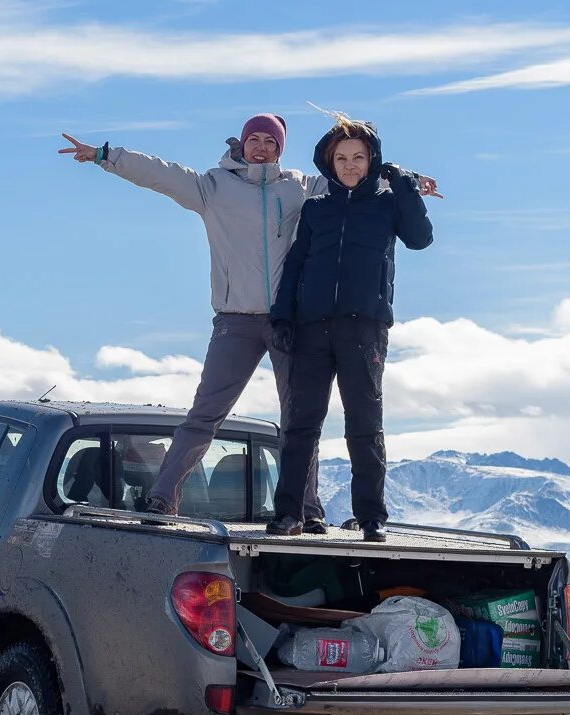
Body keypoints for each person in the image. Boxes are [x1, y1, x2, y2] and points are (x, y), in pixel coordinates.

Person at [59, 117, 436, 524]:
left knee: (300, 420)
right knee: (205, 412)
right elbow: (161, 174)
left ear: (280, 148)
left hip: (291, 321)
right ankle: (163, 497)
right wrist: (105, 156)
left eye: (269, 141)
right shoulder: (212, 186)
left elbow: (355, 172)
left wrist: (410, 180)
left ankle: (307, 511)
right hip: (235, 319)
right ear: (241, 143)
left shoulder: (301, 187)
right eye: (253, 139)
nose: (260, 147)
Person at [267, 114, 434, 542]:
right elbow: (296, 265)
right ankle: (288, 515)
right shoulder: (316, 210)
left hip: (365, 328)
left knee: (364, 424)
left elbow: (420, 238)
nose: (350, 165)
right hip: (311, 328)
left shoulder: (387, 203)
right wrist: (282, 316)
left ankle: (373, 517)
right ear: (329, 161)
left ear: (372, 159)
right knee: (302, 424)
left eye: (359, 157)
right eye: (341, 158)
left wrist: (403, 183)